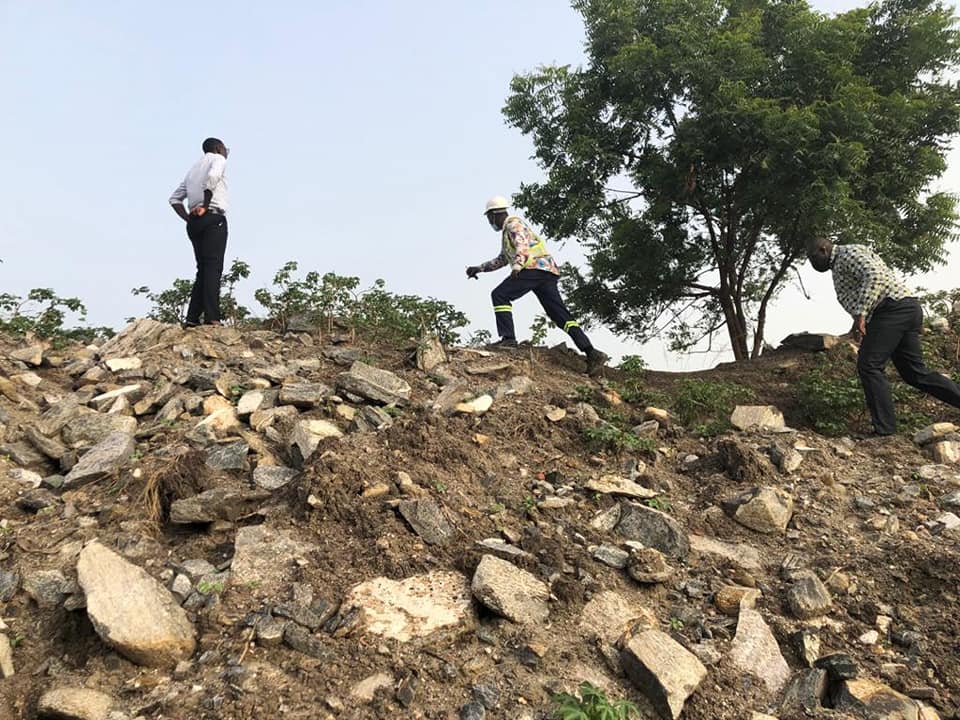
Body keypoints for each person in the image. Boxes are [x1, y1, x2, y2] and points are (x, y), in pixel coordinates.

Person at [808, 237, 960, 435]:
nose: (812, 264)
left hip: (893, 309)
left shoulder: (846, 254)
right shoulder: (840, 262)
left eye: (812, 258)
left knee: (869, 365)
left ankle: (884, 431)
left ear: (823, 249)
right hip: (901, 309)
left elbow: (875, 276)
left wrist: (861, 314)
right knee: (914, 373)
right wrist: (862, 321)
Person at [466, 196, 608, 375]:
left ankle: (508, 339)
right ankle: (591, 352)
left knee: (500, 295)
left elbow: (522, 246)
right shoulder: (508, 231)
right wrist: (479, 268)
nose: (489, 222)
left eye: (489, 218)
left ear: (494, 215)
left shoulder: (513, 224)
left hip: (532, 269)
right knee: (559, 314)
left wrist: (518, 265)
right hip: (547, 272)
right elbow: (502, 259)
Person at [169, 137, 230, 327]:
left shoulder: (193, 170)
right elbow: (213, 177)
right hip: (212, 216)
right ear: (219, 148)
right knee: (213, 268)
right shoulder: (218, 159)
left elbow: (174, 199)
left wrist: (190, 218)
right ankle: (212, 318)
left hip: (195, 223)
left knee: (202, 270)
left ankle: (192, 318)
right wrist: (204, 205)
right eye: (225, 149)